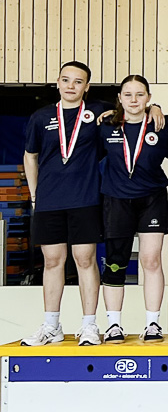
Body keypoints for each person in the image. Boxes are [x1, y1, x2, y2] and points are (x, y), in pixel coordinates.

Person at [21, 62, 107, 346]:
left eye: (78, 81)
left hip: (85, 199)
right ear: (57, 82)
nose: (71, 85)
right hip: (49, 201)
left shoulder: (97, 113)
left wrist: (153, 109)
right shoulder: (40, 117)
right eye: (66, 80)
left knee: (85, 260)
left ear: (87, 87)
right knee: (53, 261)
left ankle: (89, 325)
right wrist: (35, 196)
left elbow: (133, 112)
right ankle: (51, 326)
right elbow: (30, 156)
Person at [99, 75, 168, 342]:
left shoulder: (161, 126)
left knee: (151, 260)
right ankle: (113, 325)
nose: (134, 100)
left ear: (149, 98)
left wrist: (158, 111)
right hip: (116, 200)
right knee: (116, 263)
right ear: (119, 98)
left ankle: (153, 324)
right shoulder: (106, 125)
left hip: (151, 199)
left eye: (140, 95)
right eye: (128, 95)